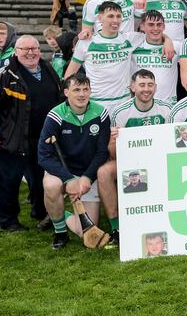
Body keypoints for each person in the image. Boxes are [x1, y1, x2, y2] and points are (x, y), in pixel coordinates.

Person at [0, 35, 62, 229]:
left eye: (34, 48)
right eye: (25, 49)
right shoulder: (5, 75)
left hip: (42, 139)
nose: (31, 53)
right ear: (16, 52)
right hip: (10, 140)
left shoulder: (48, 69)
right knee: (7, 183)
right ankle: (8, 222)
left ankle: (41, 212)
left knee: (41, 180)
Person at [98, 69, 171, 246]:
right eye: (142, 85)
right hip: (130, 161)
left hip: (161, 159)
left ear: (155, 87)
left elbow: (173, 141)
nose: (146, 89)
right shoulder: (120, 112)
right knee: (104, 172)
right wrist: (113, 142)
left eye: (150, 85)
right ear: (132, 87)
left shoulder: (167, 108)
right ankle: (117, 228)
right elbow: (114, 153)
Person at [38, 75, 110, 249]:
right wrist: (69, 179)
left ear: (90, 91)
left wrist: (86, 177)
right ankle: (60, 232)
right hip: (63, 172)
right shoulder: (55, 116)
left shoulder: (101, 113)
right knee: (51, 186)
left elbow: (101, 153)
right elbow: (44, 156)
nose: (81, 94)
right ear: (66, 92)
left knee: (83, 231)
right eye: (76, 90)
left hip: (87, 173)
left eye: (85, 89)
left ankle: (60, 212)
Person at [66, 2, 139, 115]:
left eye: (118, 16)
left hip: (123, 103)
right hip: (95, 103)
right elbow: (70, 73)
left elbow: (155, 35)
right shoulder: (86, 42)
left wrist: (167, 40)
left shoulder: (129, 38)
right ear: (100, 18)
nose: (115, 20)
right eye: (110, 16)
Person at [132, 10, 179, 103]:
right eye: (151, 24)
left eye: (159, 24)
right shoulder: (134, 46)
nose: (156, 28)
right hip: (141, 105)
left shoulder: (175, 46)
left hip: (168, 104)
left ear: (164, 26)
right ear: (142, 26)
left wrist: (168, 40)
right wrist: (167, 38)